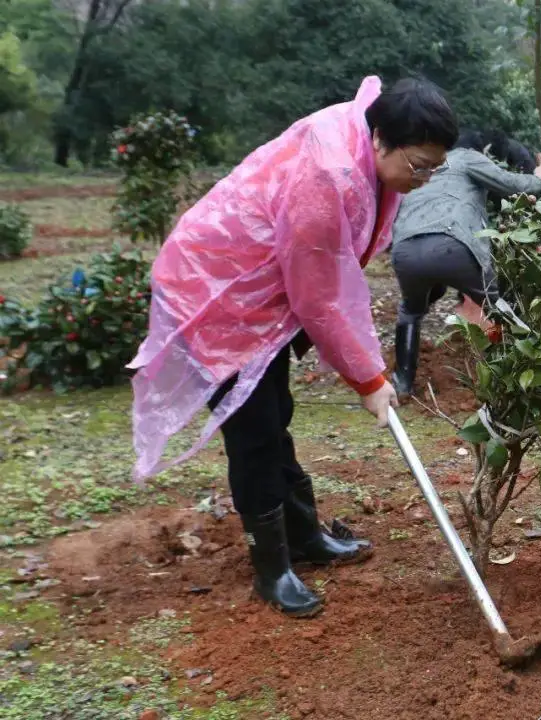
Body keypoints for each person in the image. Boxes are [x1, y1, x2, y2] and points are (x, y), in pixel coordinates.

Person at [128, 77, 459, 618]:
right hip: (217, 292)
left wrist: (367, 371)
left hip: (262, 293)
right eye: (418, 165)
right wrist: (369, 380)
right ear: (380, 139)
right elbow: (320, 294)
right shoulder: (327, 175)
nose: (422, 179)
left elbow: (334, 274)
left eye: (433, 168)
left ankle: (304, 535)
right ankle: (271, 569)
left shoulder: (369, 159)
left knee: (275, 410)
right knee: (254, 429)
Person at [389, 130, 541, 395]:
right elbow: (513, 185)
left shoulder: (425, 168)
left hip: (405, 249)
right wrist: (540, 178)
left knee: (410, 311)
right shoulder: (466, 157)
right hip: (453, 243)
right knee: (498, 306)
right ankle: (535, 375)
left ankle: (402, 384)